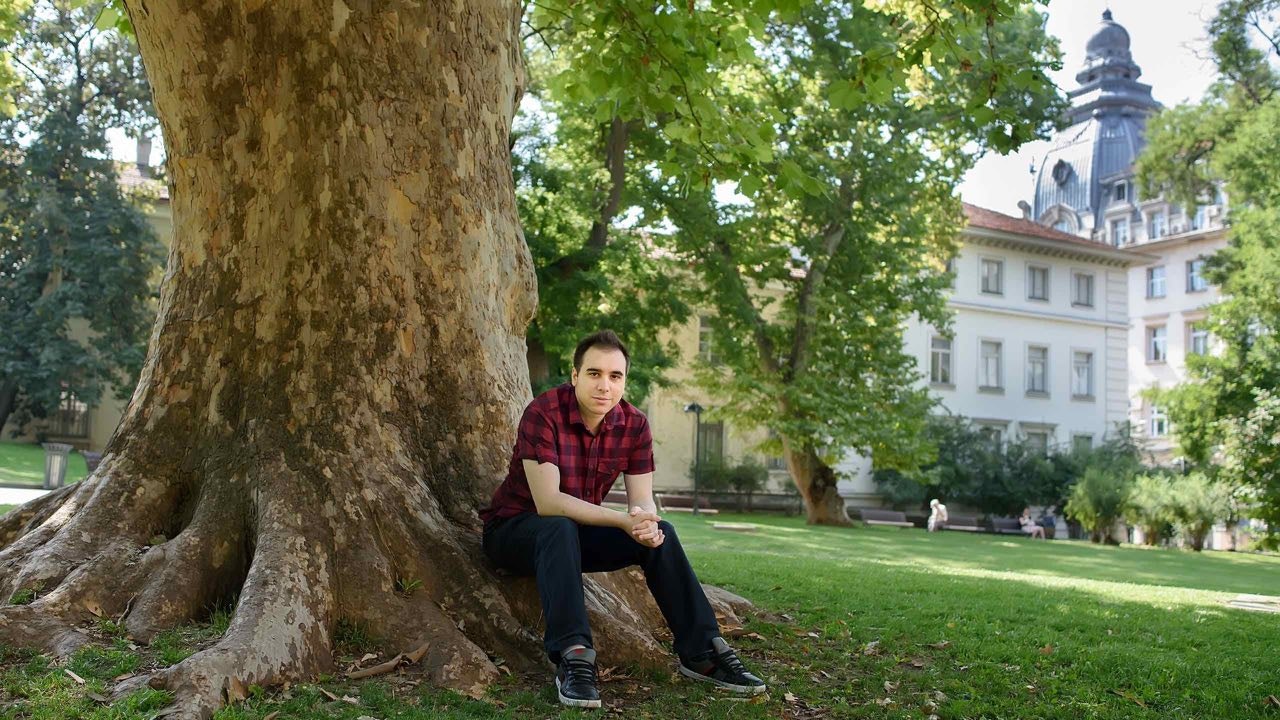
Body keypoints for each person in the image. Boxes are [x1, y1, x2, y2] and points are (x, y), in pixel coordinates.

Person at [480, 330, 766, 708]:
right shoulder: (543, 413)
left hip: (574, 536)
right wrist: (621, 521)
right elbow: (548, 503)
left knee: (662, 532)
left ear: (624, 380)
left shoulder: (634, 425)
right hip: (514, 532)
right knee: (558, 526)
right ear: (575, 375)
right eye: (594, 373)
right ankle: (575, 656)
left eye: (615, 376)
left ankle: (702, 652)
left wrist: (644, 523)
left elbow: (642, 500)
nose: (605, 385)